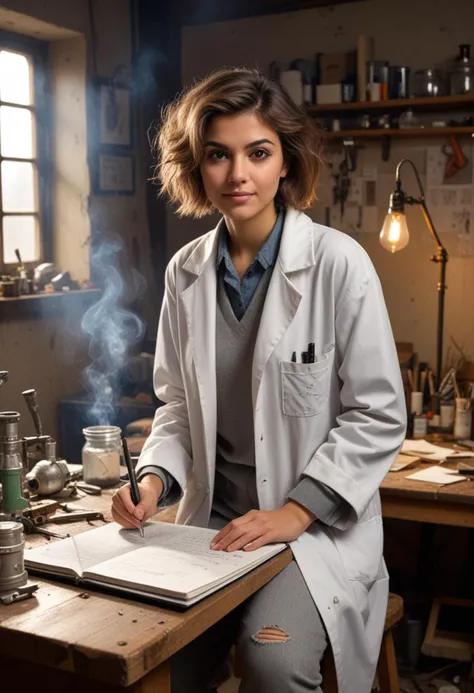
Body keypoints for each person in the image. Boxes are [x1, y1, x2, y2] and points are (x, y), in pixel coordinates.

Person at [111, 67, 406, 693]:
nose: (237, 174)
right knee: (160, 660)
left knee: (272, 661)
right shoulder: (183, 273)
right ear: (197, 165)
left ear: (285, 163)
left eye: (258, 153)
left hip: (309, 532)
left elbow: (377, 414)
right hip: (212, 524)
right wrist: (155, 479)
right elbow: (176, 407)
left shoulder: (336, 263)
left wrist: (296, 511)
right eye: (218, 155)